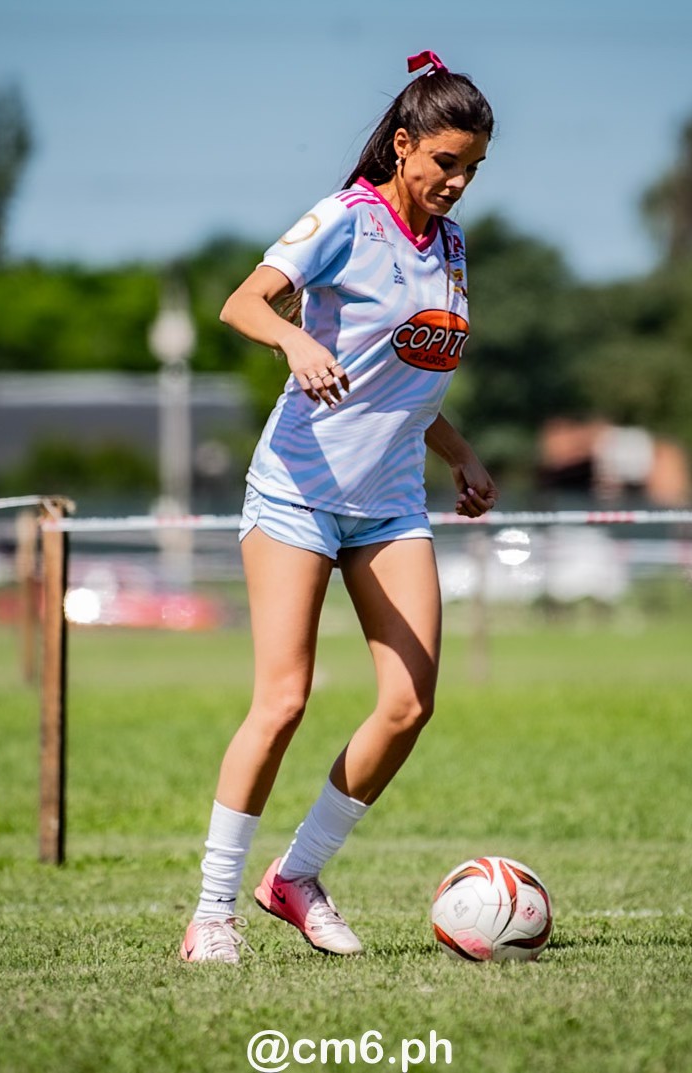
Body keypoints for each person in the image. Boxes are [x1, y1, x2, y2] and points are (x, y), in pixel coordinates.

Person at [180, 50, 498, 963]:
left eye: (472, 167)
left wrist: (463, 452)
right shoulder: (344, 221)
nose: (457, 182)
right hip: (298, 493)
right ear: (403, 146)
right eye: (444, 162)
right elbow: (242, 302)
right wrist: (291, 342)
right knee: (282, 700)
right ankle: (211, 912)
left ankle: (295, 876)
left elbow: (412, 380)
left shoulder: (454, 248)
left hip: (391, 502)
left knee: (407, 704)